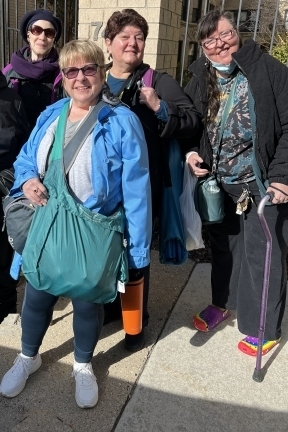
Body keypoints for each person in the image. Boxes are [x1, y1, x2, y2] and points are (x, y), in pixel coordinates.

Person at [0, 39, 151, 408]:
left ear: (102, 73)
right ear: (63, 77)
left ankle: (83, 365)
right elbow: (24, 159)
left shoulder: (122, 122)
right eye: (71, 71)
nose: (80, 78)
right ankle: (28, 357)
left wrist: (138, 252)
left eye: (88, 69)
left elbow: (136, 190)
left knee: (86, 302)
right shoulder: (50, 114)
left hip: (93, 231)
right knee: (36, 296)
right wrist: (27, 180)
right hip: (47, 225)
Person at [184, 9, 288, 356]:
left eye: (224, 34)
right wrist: (192, 153)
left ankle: (263, 326)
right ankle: (222, 303)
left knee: (263, 257)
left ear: (237, 34)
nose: (219, 44)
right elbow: (193, 122)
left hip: (261, 185)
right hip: (222, 183)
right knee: (226, 251)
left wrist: (282, 177)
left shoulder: (269, 71)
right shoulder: (202, 75)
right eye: (209, 40)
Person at [104, 8, 200, 351]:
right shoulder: (96, 79)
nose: (133, 44)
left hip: (141, 189)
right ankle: (111, 308)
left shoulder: (156, 81)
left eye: (139, 38)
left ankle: (135, 323)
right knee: (105, 251)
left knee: (134, 254)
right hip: (103, 188)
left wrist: (159, 106)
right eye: (125, 37)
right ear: (108, 44)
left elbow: (192, 120)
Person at [0, 71, 29, 323]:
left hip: (2, 190)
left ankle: (7, 311)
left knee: (3, 256)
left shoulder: (12, 99)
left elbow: (23, 148)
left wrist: (7, 178)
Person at [3, 8, 63, 131]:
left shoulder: (63, 74)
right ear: (28, 34)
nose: (42, 37)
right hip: (16, 144)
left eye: (49, 33)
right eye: (37, 30)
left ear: (54, 39)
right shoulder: (8, 73)